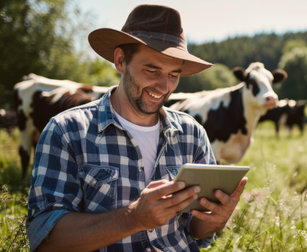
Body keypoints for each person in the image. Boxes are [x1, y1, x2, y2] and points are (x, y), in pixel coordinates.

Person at [26, 4, 248, 251]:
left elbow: (194, 231)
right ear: (120, 61)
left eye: (174, 75)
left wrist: (215, 220)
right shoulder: (66, 131)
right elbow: (46, 239)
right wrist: (133, 218)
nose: (164, 86)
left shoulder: (192, 133)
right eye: (152, 69)